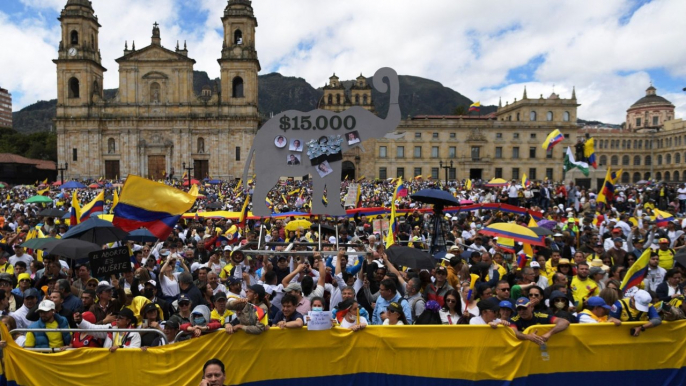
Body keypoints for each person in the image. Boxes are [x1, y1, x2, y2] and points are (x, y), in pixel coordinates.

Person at [75, 307, 141, 350]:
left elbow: (134, 350)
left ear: (128, 321)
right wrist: (81, 321)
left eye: (120, 318)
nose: (117, 319)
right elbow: (92, 328)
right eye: (117, 317)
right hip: (108, 361)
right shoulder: (111, 327)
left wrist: (120, 347)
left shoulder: (134, 334)